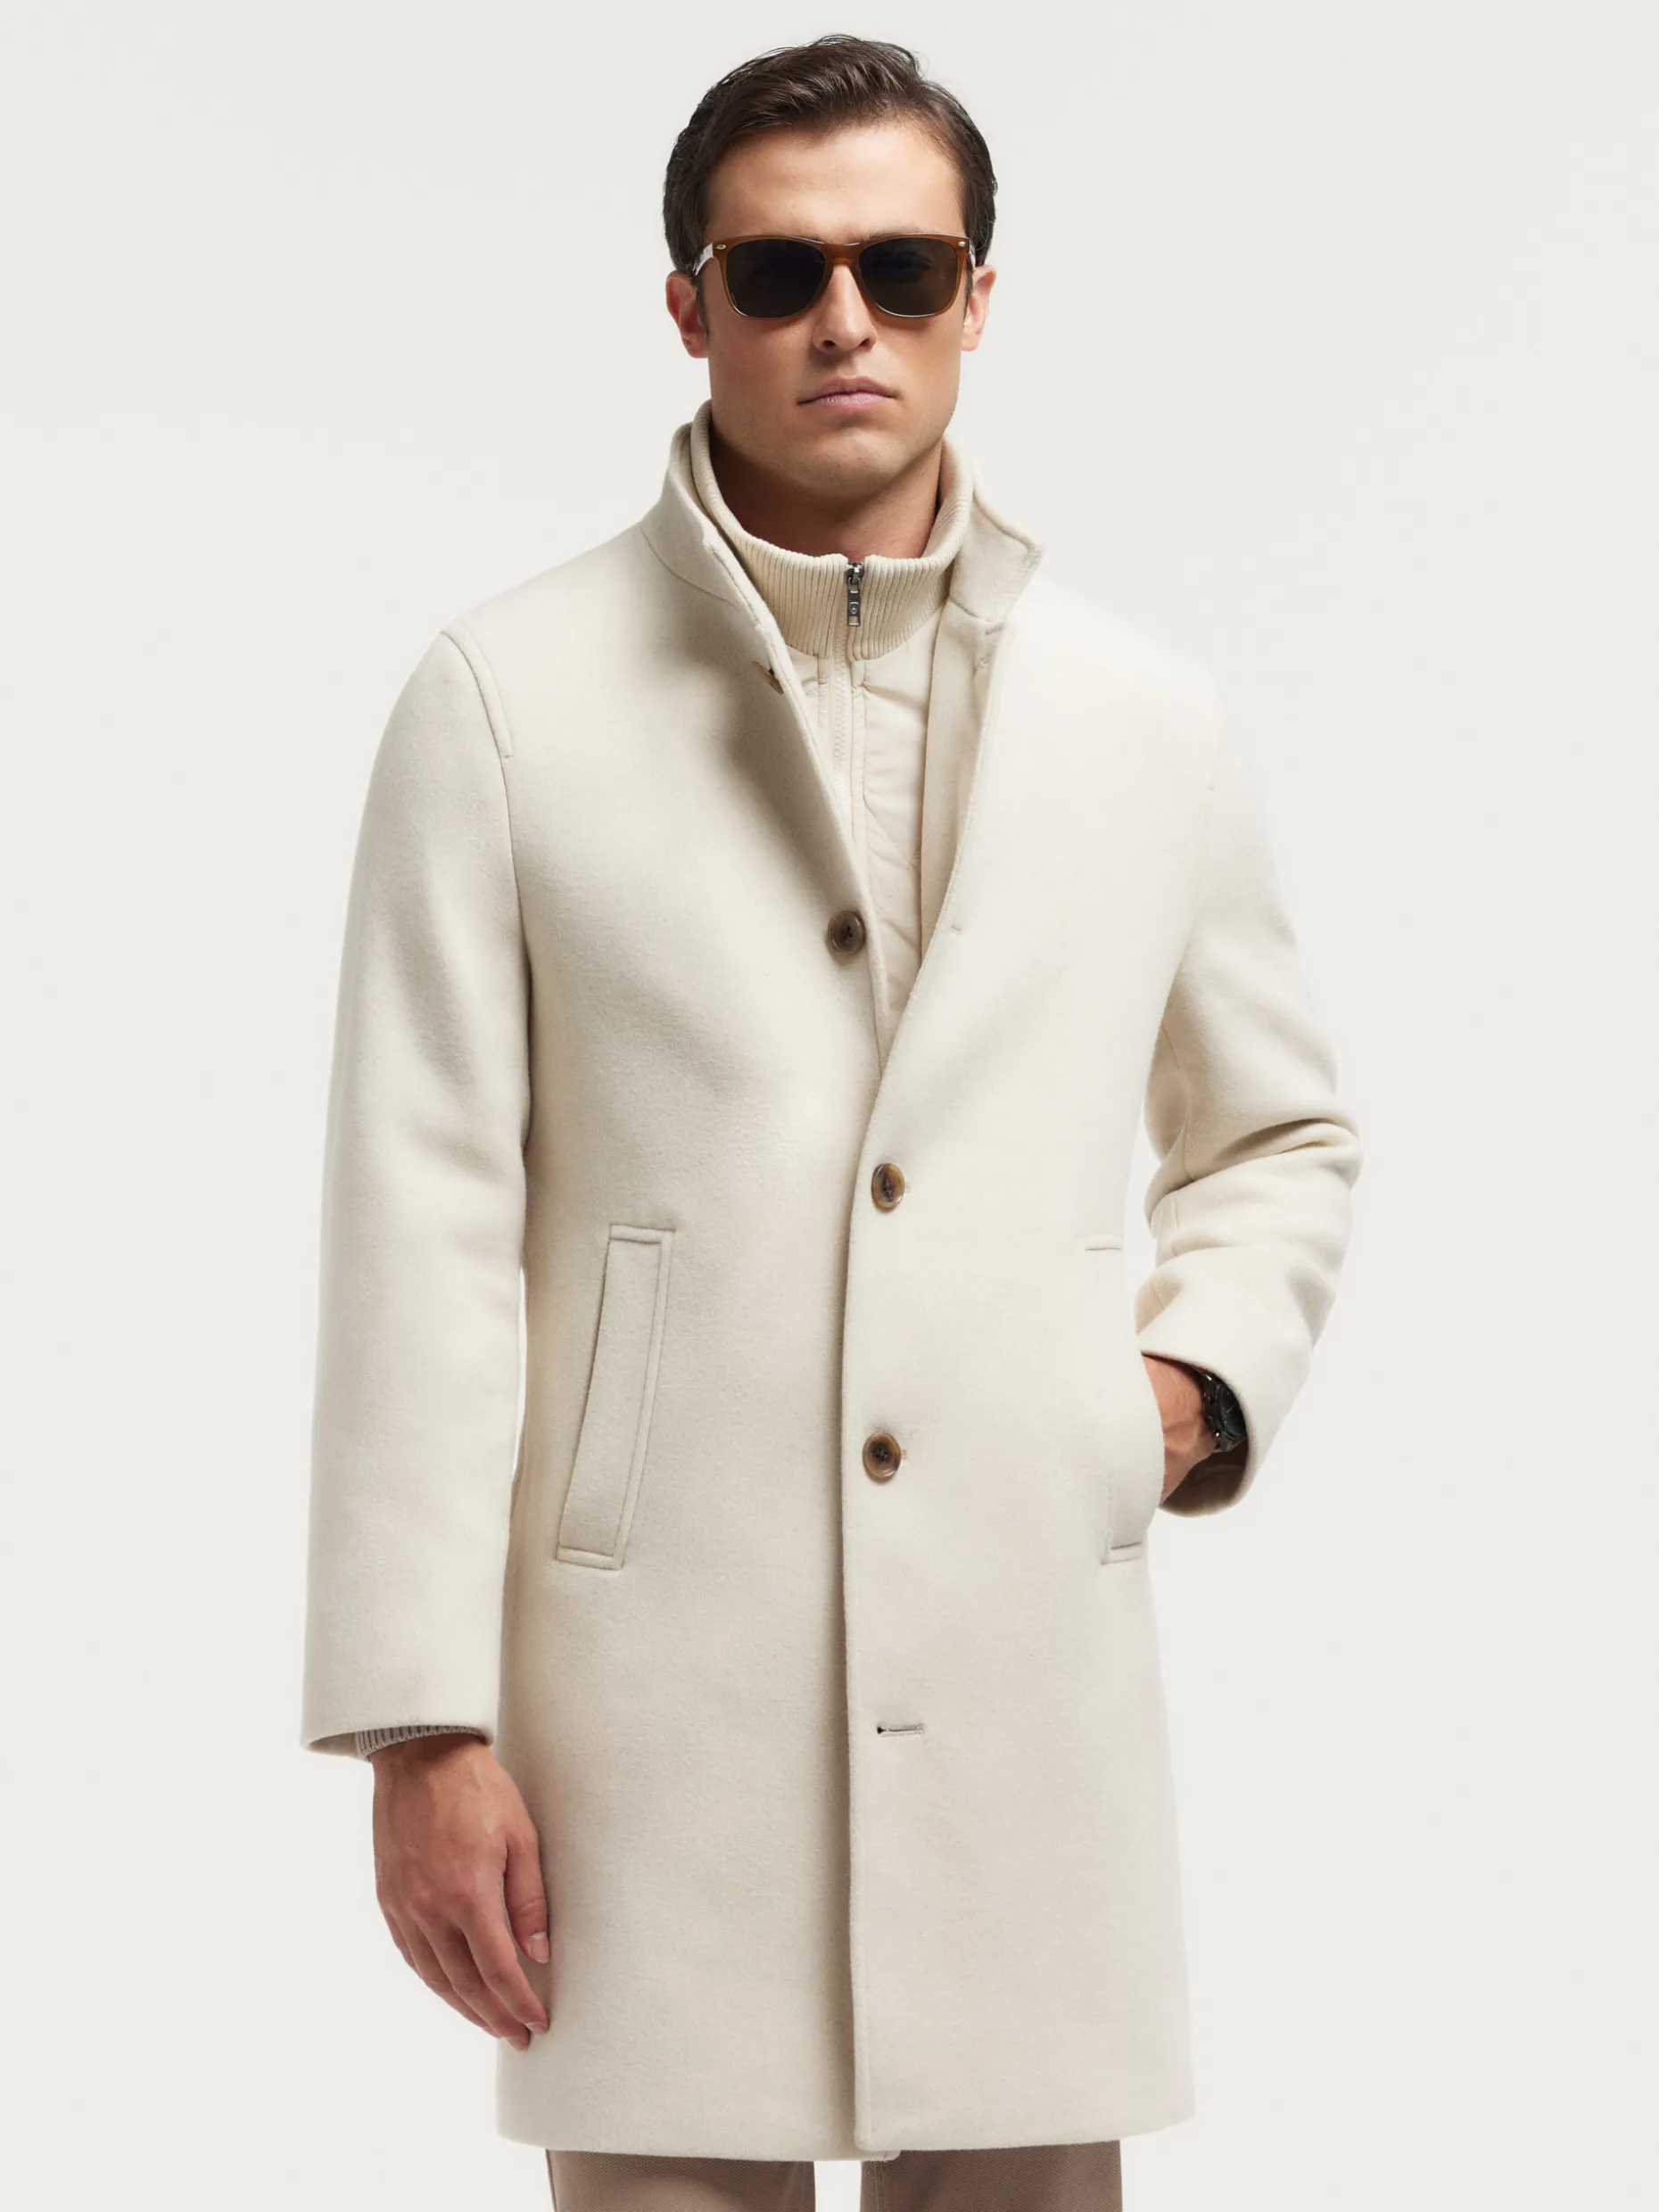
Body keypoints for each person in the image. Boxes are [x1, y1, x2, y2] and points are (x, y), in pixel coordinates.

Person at [299, 33, 1362, 2212]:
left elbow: (1276, 1135)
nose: (844, 320)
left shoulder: (1145, 719)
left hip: (1024, 1673)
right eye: (780, 273)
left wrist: (1177, 1393)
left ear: (981, 296)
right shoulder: (507, 700)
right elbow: (422, 1215)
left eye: (903, 265)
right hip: (642, 1702)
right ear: (689, 307)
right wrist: (420, 1721)